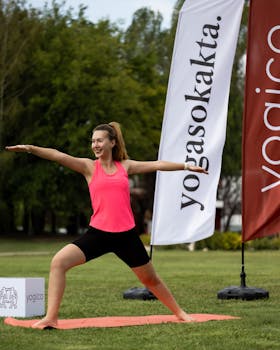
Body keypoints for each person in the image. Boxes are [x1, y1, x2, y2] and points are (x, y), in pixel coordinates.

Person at [5, 122, 208, 329]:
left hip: (126, 236)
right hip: (98, 235)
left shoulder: (125, 166)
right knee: (58, 263)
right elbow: (58, 155)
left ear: (112, 142)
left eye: (99, 140)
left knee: (151, 280)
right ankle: (51, 318)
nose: (95, 145)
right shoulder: (88, 167)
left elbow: (157, 164)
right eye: (93, 141)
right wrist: (30, 149)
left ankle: (180, 313)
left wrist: (185, 166)